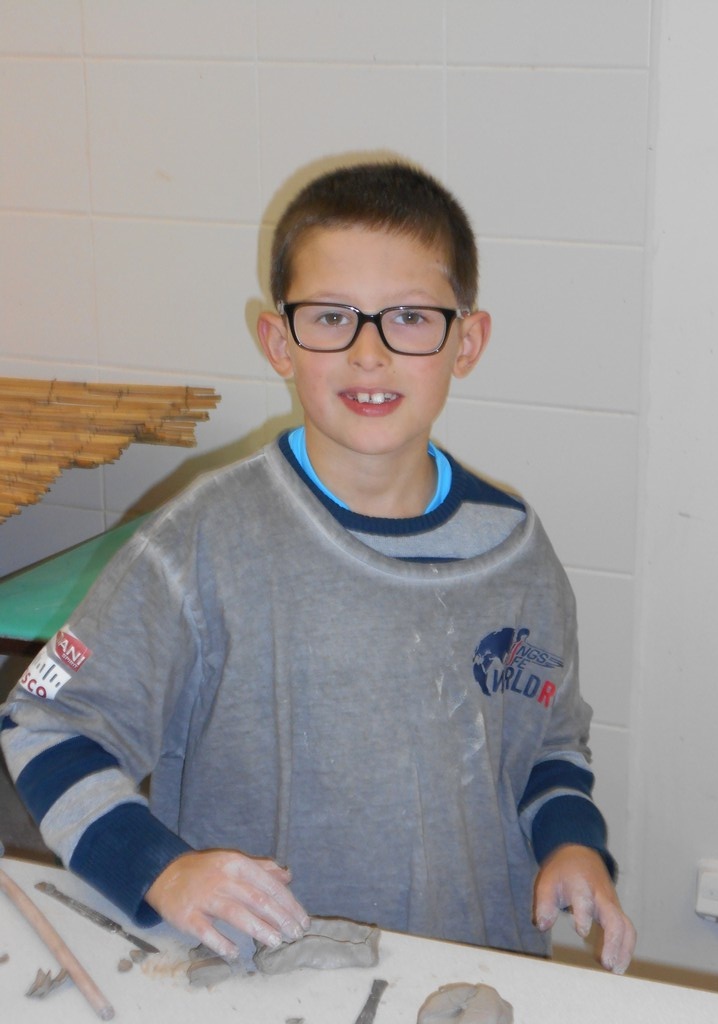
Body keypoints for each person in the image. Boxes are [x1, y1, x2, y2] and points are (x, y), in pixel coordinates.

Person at [1, 160, 636, 973]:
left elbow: (552, 746)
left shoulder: (516, 551)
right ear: (280, 342)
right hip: (265, 976)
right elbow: (43, 718)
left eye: (410, 318)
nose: (370, 353)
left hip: (474, 972)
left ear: (467, 341)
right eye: (332, 316)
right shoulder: (202, 539)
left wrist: (573, 844)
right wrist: (158, 868)